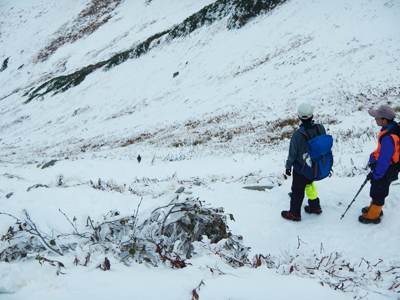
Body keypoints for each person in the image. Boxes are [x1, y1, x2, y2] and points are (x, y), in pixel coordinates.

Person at [282, 103, 326, 221]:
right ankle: (315, 206)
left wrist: (288, 166)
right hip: (315, 165)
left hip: (301, 168)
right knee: (309, 184)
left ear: (299, 117)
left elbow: (293, 154)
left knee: (297, 190)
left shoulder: (297, 135)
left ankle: (294, 213)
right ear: (312, 116)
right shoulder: (320, 128)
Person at [359, 105, 399, 224]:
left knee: (379, 191)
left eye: (377, 117)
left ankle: (373, 215)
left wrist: (377, 174)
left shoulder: (388, 138)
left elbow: (384, 159)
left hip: (385, 170)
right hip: (390, 168)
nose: (375, 119)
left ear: (385, 120)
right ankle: (374, 208)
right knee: (377, 189)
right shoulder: (394, 129)